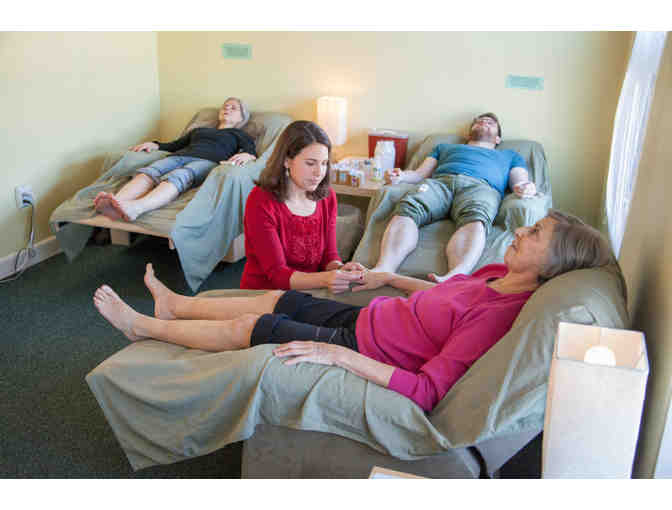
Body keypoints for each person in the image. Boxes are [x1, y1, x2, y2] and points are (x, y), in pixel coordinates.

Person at [93, 210, 614, 412]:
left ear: (554, 261)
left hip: (362, 347)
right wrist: (389, 277)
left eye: (534, 233)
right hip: (371, 318)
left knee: (252, 325)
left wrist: (338, 357)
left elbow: (427, 389)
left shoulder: (498, 317)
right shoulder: (497, 273)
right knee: (275, 298)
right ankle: (176, 304)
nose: (520, 231)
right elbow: (442, 293)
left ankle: (143, 327)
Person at [372, 112, 537, 283]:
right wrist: (400, 176)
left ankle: (454, 277)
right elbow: (419, 174)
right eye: (479, 121)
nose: (484, 122)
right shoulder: (444, 147)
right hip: (440, 183)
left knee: (476, 218)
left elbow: (521, 181)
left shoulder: (510, 155)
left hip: (481, 187)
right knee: (407, 209)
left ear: (497, 139)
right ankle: (384, 268)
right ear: (469, 134)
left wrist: (525, 187)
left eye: (490, 123)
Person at [240, 120, 365, 293]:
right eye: (310, 163)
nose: (319, 173)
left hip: (310, 290)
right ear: (287, 161)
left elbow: (329, 256)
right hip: (264, 294)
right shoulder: (261, 200)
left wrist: (340, 269)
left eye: (324, 163)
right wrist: (327, 278)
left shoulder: (327, 197)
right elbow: (278, 274)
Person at [94, 97, 257, 222]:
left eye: (233, 108)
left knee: (179, 175)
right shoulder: (200, 130)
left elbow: (251, 151)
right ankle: (116, 203)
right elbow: (174, 145)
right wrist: (155, 144)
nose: (227, 109)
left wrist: (247, 155)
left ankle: (137, 208)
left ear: (241, 118)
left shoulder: (239, 134)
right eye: (225, 106)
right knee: (149, 172)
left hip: (207, 162)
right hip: (179, 156)